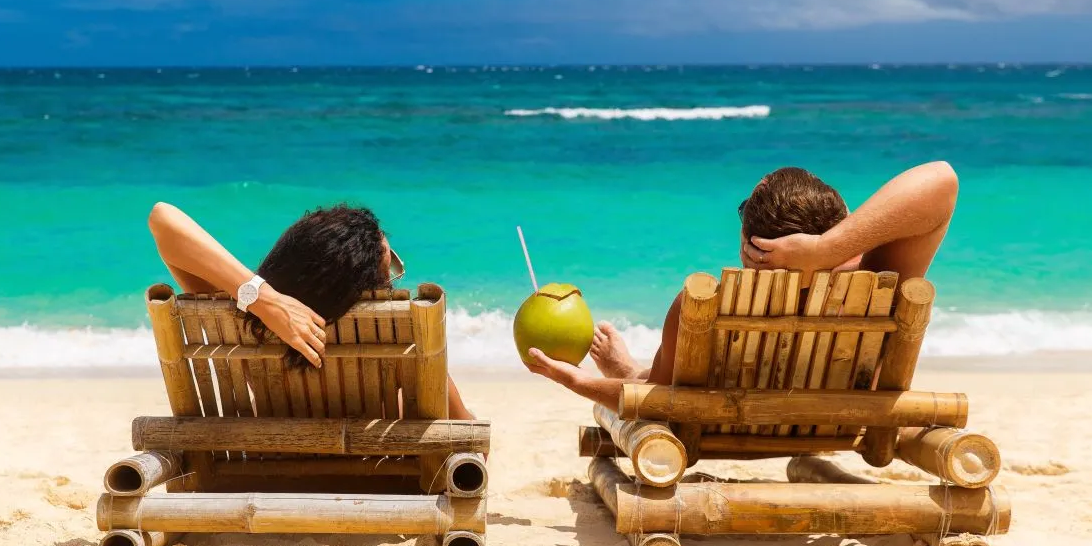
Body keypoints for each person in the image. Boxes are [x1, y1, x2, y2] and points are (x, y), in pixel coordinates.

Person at [524, 161, 959, 409]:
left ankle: (627, 370)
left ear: (750, 245)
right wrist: (830, 250)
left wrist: (577, 382)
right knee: (650, 377)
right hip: (847, 418)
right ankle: (629, 369)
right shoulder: (875, 286)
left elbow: (657, 402)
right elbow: (942, 180)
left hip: (724, 423)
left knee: (651, 378)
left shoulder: (706, 307)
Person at [147, 201, 476, 420]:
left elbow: (162, 218)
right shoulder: (400, 337)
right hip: (376, 480)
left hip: (266, 474)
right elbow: (467, 436)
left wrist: (262, 298)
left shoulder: (244, 323)